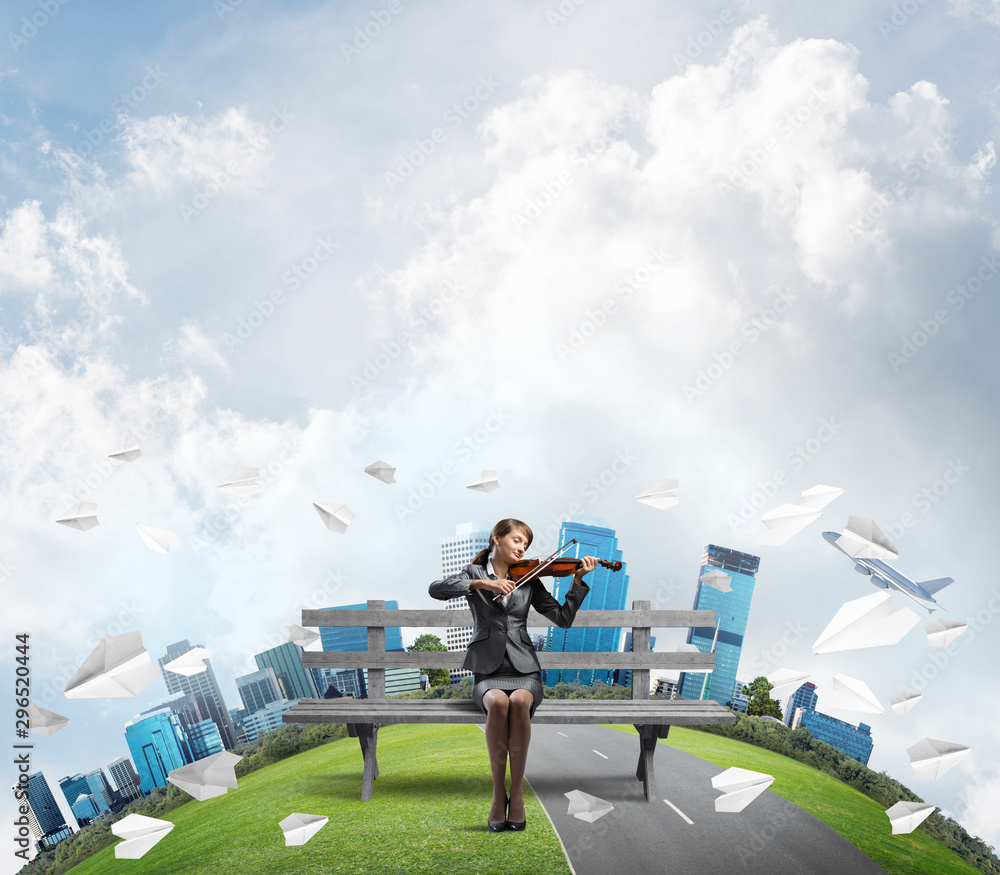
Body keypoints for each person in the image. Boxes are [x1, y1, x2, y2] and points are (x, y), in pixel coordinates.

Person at [429, 518, 596, 832]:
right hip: (487, 672)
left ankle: (516, 792)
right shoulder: (473, 573)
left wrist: (577, 582)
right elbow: (436, 590)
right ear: (497, 538)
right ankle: (497, 793)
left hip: (525, 671)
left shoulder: (530, 579)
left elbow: (562, 619)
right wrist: (484, 584)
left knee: (519, 702)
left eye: (526, 544)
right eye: (518, 540)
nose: (522, 548)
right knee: (498, 703)